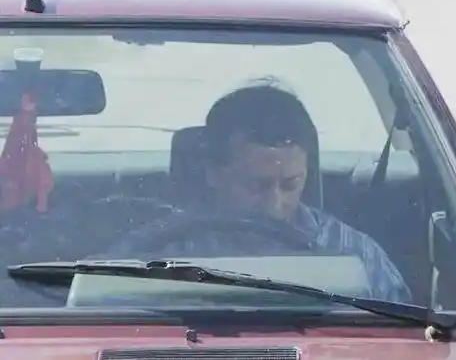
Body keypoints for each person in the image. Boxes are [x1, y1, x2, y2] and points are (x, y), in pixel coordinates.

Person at [106, 84, 412, 304]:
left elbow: (402, 337)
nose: (275, 205)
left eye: (290, 184)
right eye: (256, 186)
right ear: (214, 173)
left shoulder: (355, 255)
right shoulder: (153, 249)